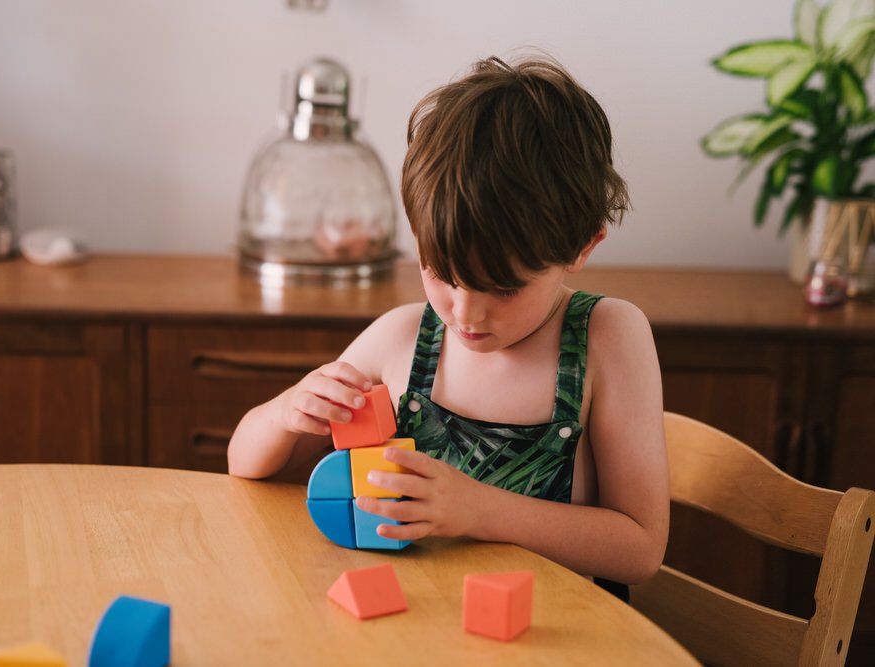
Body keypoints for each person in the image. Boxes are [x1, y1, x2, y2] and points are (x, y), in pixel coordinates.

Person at [228, 55, 669, 597]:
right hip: (416, 621)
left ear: (582, 246)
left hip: (555, 634)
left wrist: (480, 510)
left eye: (503, 288)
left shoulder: (606, 338)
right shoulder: (402, 337)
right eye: (441, 274)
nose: (464, 313)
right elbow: (245, 466)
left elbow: (640, 549)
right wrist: (286, 413)